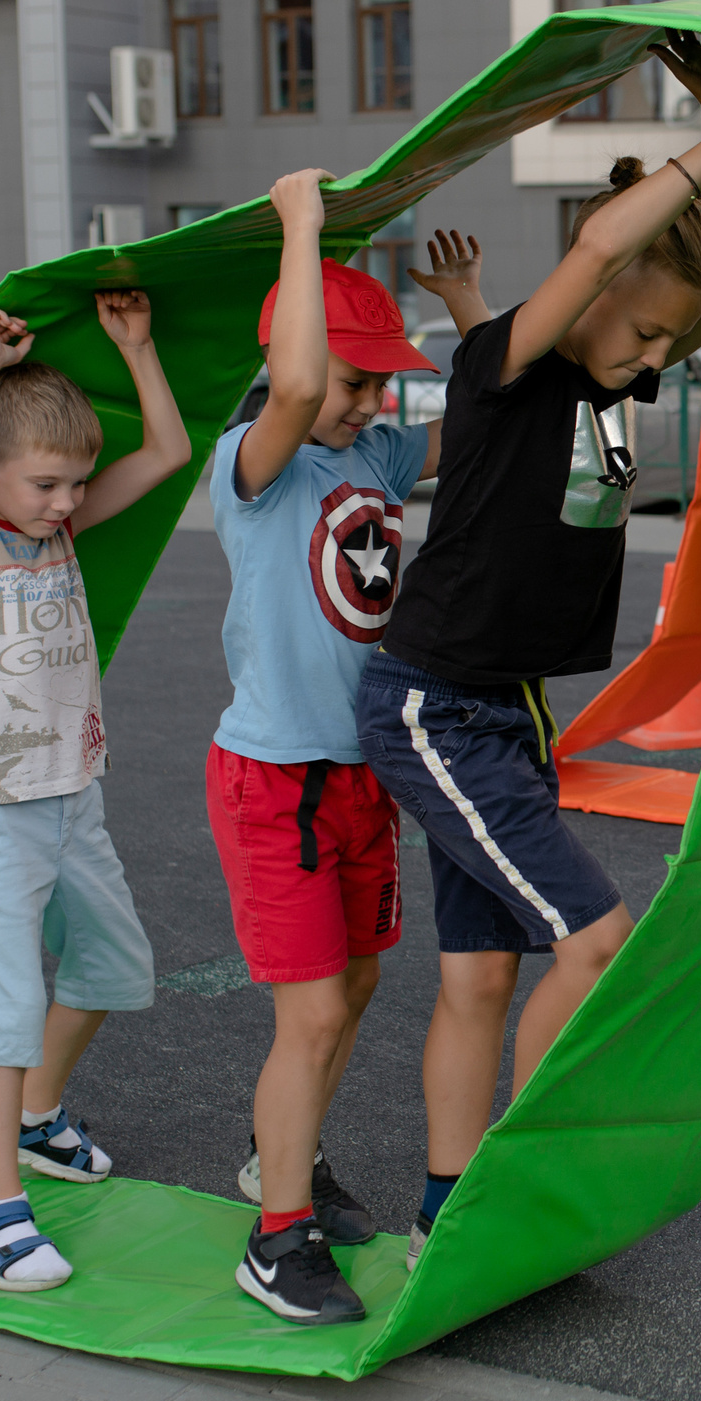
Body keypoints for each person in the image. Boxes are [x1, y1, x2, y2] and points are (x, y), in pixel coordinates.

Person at [355, 31, 701, 1269]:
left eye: (667, 344)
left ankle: (446, 1212)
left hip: (510, 710)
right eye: (646, 335)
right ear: (590, 297)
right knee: (594, 940)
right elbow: (608, 244)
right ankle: (517, 1185)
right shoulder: (505, 368)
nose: (660, 360)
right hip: (433, 708)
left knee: (483, 981)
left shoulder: (617, 383)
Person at [0, 290, 191, 1291]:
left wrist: (139, 348)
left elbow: (164, 455)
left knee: (115, 969)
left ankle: (35, 1118)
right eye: (46, 485)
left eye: (74, 485)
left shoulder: (57, 532)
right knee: (9, 1007)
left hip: (73, 798)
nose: (68, 503)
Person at [207, 170, 443, 1327]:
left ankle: (275, 1164)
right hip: (275, 778)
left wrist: (482, 308)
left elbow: (483, 427)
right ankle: (275, 1240)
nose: (365, 403)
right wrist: (301, 225)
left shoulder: (374, 461)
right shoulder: (257, 464)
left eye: (379, 385)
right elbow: (298, 384)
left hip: (360, 776)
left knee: (353, 986)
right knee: (307, 1014)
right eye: (357, 382)